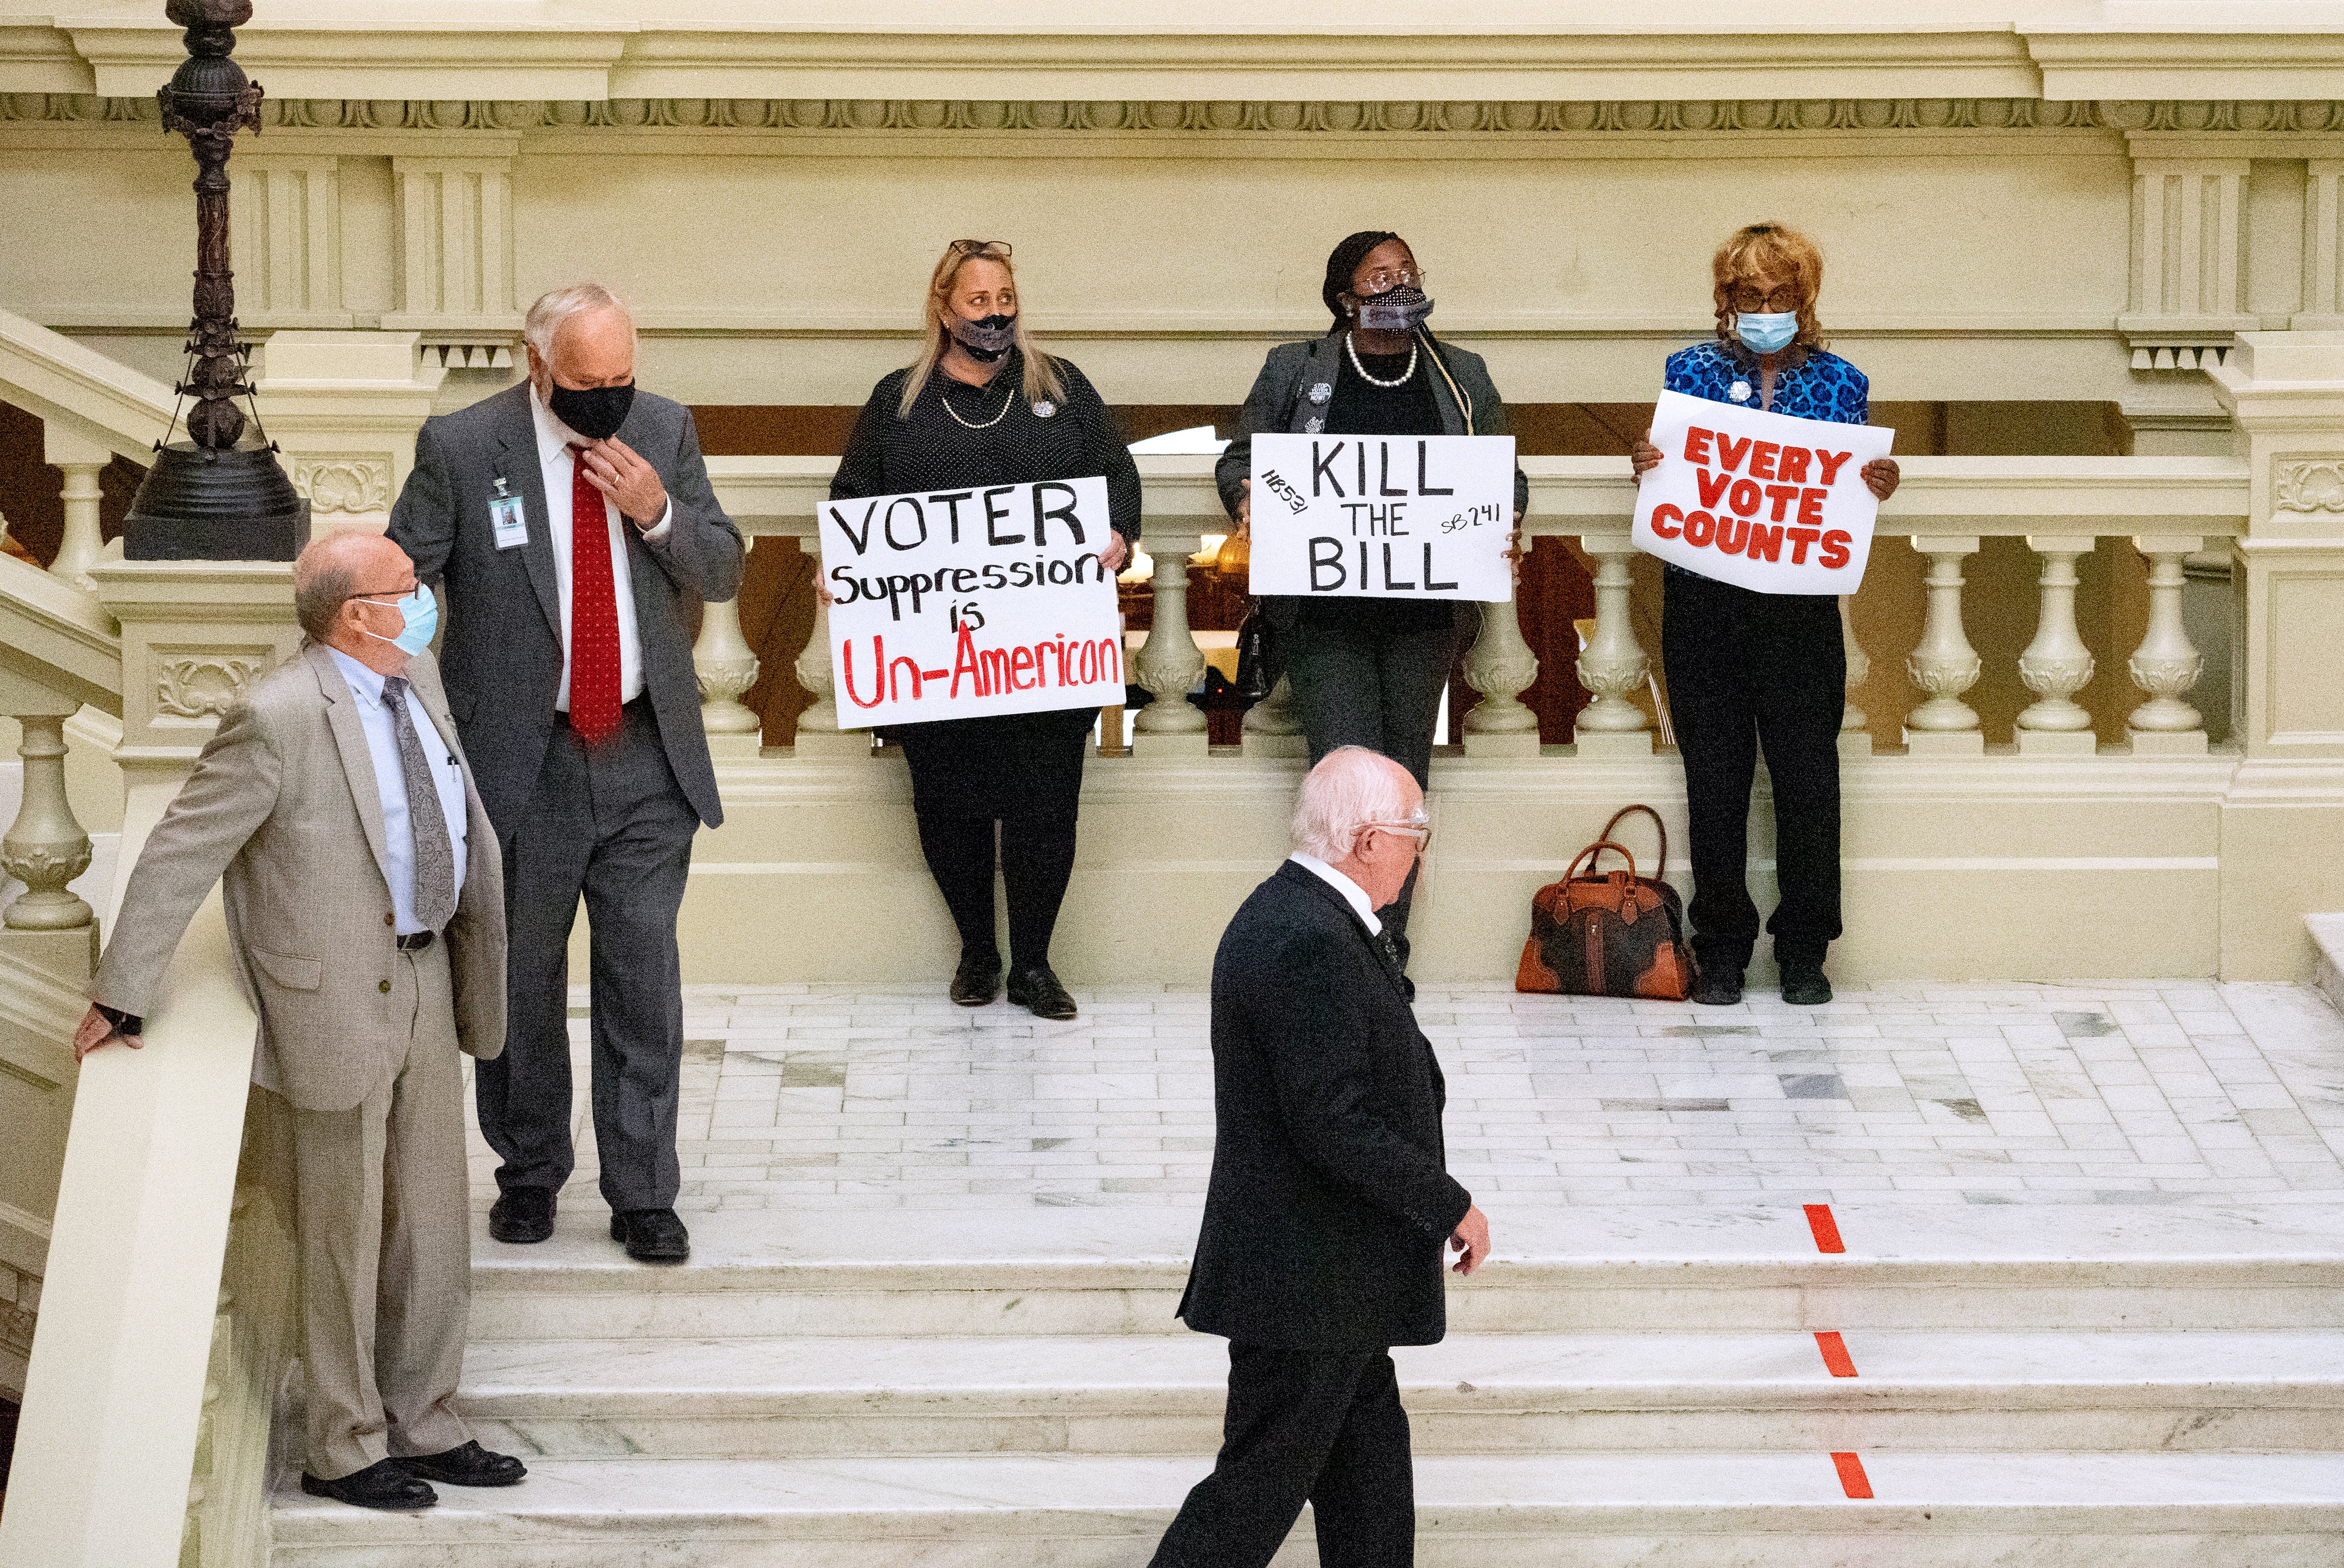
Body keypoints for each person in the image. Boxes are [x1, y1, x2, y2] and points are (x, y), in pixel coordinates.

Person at [76, 532, 524, 1512]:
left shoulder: (419, 678)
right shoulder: (274, 716)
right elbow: (180, 850)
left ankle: (427, 1420)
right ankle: (343, 1442)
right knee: (341, 1226)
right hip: (330, 1000)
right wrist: (123, 990)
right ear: (354, 612)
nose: (422, 600)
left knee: (433, 1219)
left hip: (429, 974)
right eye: (405, 589)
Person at [387, 282, 744, 1262]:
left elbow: (722, 568)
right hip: (521, 761)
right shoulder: (463, 448)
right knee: (522, 984)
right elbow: (403, 576)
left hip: (643, 751)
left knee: (642, 979)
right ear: (536, 363)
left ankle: (643, 1193)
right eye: (588, 382)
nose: (609, 398)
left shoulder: (664, 432)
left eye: (622, 378)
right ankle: (530, 1174)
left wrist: (658, 510)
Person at [1149, 746, 1491, 1568]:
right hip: (1306, 1285)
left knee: (1370, 1494)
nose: (1417, 852)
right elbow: (1333, 1120)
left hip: (1334, 1284)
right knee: (1248, 1501)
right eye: (1415, 833)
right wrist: (1447, 1201)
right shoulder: (1304, 936)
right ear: (1370, 840)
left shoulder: (1308, 918)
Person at [827, 238, 1140, 1020]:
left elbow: (1118, 477)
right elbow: (853, 497)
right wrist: (845, 567)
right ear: (942, 308)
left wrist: (1121, 535)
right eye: (977, 301)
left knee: (1045, 809)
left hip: (1047, 658)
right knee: (949, 807)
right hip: (939, 662)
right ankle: (978, 952)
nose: (995, 314)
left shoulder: (1061, 389)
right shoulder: (898, 401)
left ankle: (1034, 964)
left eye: (1004, 298)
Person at [1217, 231, 1528, 981]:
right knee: (1345, 784)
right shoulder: (1297, 369)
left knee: (1405, 783)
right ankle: (1342, 946)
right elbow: (1239, 458)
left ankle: (1390, 948)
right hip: (1326, 620)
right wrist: (1248, 497)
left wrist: (1505, 517)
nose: (1396, 286)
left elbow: (1502, 473)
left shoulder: (1459, 373)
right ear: (1344, 296)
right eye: (1377, 276)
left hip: (1422, 620)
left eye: (1406, 272)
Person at [1631, 222, 1899, 1007]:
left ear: (1805, 299)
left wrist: (1878, 480)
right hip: (1703, 602)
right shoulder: (1688, 370)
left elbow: (1845, 486)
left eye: (1780, 295)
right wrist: (1644, 463)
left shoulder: (1842, 381)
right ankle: (1719, 950)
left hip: (1799, 610)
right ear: (1726, 300)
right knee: (1712, 780)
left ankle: (1805, 950)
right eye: (1750, 295)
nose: (1765, 306)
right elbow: (1672, 469)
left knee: (1807, 781)